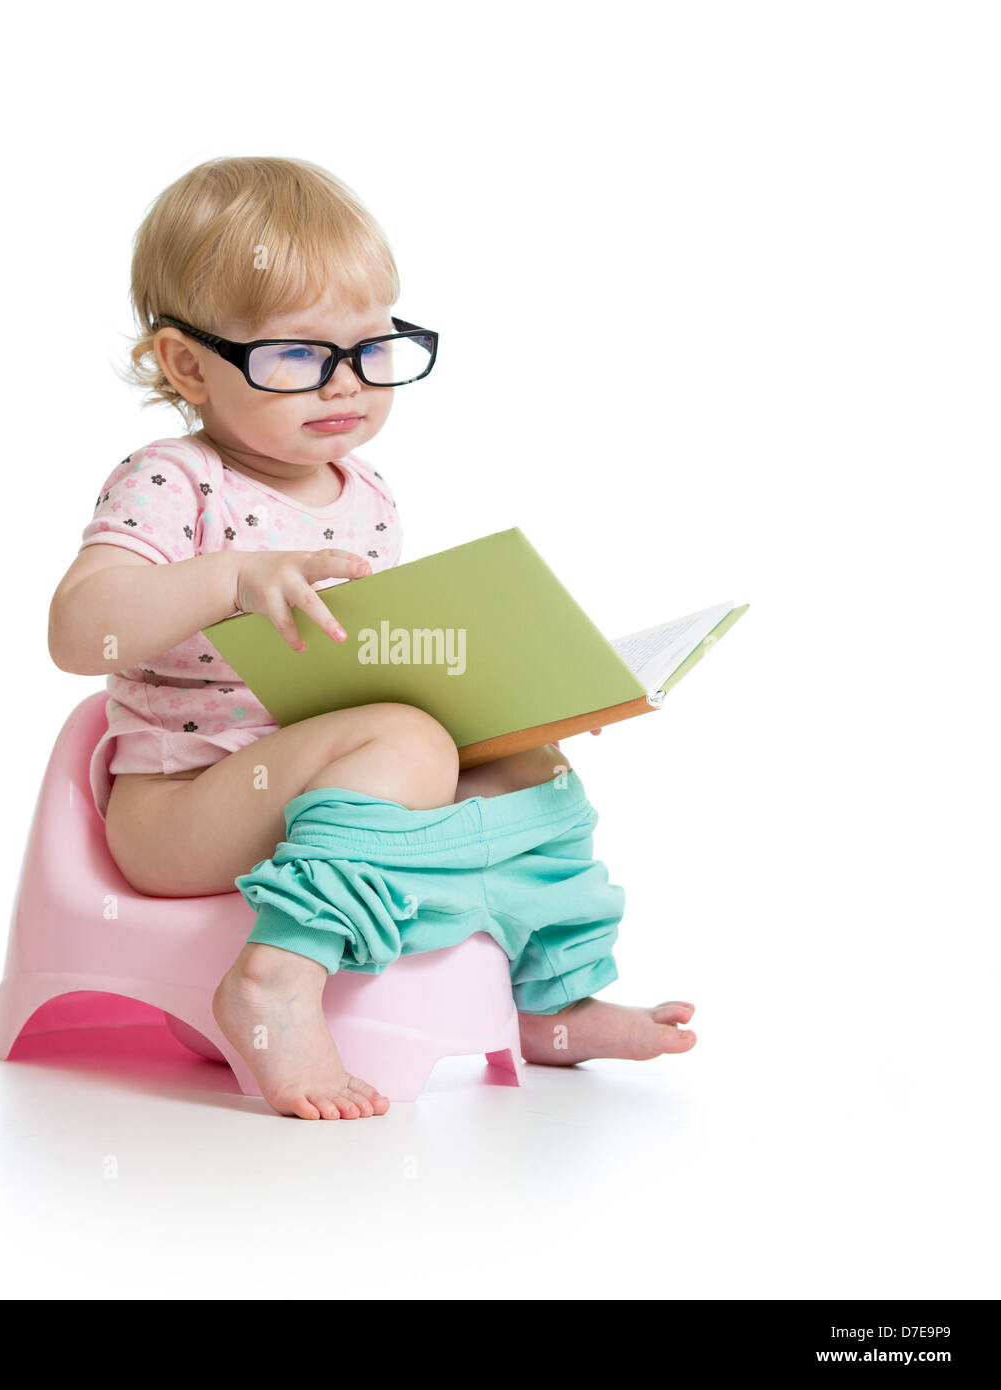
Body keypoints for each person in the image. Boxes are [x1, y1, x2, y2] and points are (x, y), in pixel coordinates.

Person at [48, 156, 695, 1121]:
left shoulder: (368, 489)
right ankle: (273, 977)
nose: (342, 385)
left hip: (321, 770)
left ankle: (554, 999)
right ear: (188, 364)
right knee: (404, 743)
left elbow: (372, 657)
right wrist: (227, 578)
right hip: (184, 804)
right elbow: (77, 632)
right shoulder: (174, 479)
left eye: (369, 347)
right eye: (296, 358)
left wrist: (517, 702)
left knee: (525, 761)